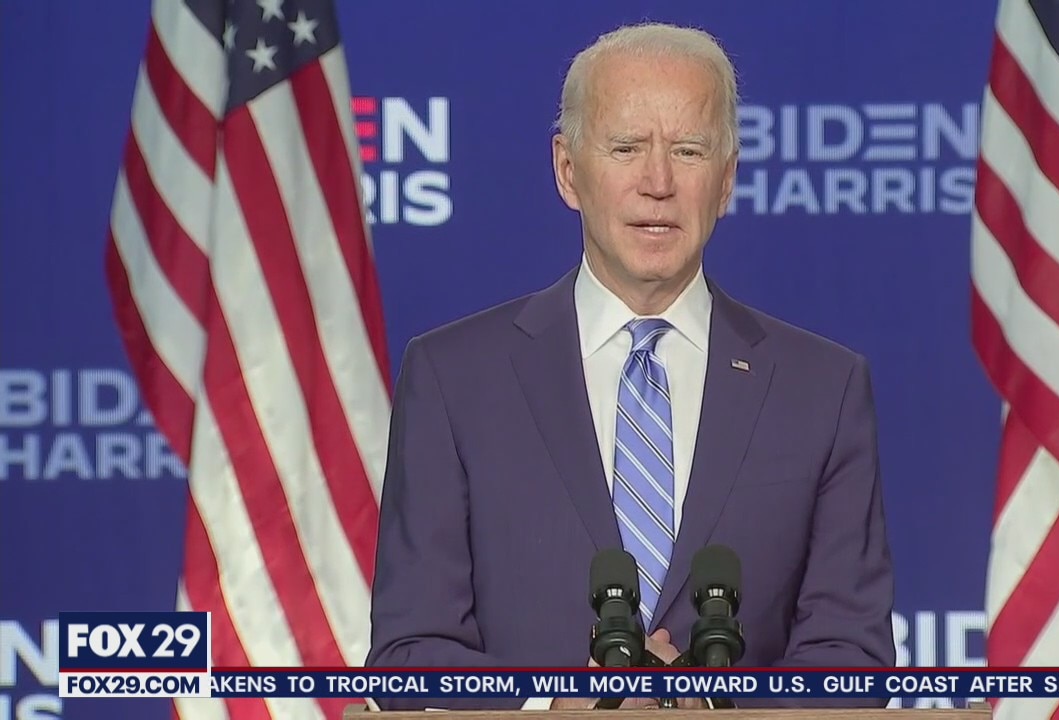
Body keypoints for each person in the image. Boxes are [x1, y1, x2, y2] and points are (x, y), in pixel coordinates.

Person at [365, 22, 895, 710]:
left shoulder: (821, 389)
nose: (658, 182)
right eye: (626, 148)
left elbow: (850, 660)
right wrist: (547, 710)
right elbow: (410, 654)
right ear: (568, 170)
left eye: (688, 149)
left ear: (727, 179)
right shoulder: (453, 377)